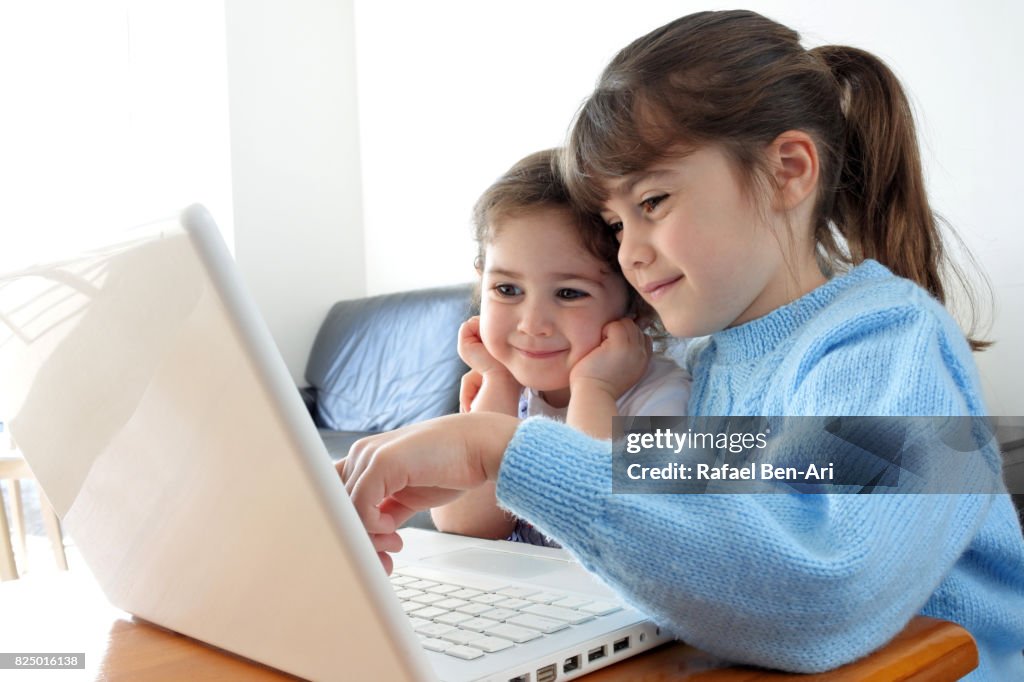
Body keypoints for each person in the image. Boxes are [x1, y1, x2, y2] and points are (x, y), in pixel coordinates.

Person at [339, 10, 1024, 679]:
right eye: (614, 222)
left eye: (653, 203)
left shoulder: (894, 345)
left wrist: (498, 448)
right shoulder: (707, 362)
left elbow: (825, 594)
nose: (630, 255)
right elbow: (719, 518)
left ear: (789, 169)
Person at [430, 149, 691, 544]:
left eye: (569, 293)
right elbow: (463, 525)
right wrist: (498, 384)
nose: (532, 324)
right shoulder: (503, 392)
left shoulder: (663, 397)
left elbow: (601, 528)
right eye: (507, 289)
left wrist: (594, 390)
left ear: (637, 306)